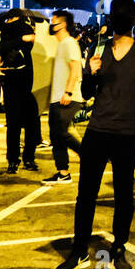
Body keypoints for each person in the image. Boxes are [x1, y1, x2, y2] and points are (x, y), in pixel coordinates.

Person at [56, 0, 135, 269]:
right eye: (118, 17)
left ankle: (118, 249)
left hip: (127, 133)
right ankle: (79, 250)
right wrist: (91, 73)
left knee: (124, 196)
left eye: (124, 18)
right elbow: (88, 93)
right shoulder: (97, 49)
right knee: (86, 194)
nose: (121, 22)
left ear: (134, 22)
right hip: (97, 131)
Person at [0, 9, 41, 173]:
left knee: (23, 123)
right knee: (22, 123)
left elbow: (2, 47)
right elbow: (2, 47)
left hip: (20, 80)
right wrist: (20, 38)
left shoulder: (21, 30)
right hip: (20, 80)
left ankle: (20, 159)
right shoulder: (15, 32)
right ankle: (22, 159)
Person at [43, 10, 83, 184]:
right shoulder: (61, 45)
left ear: (64, 24)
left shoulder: (68, 43)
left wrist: (68, 91)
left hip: (68, 97)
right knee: (56, 136)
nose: (52, 25)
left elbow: (75, 68)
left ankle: (89, 154)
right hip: (57, 98)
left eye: (55, 22)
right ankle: (63, 172)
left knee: (61, 133)